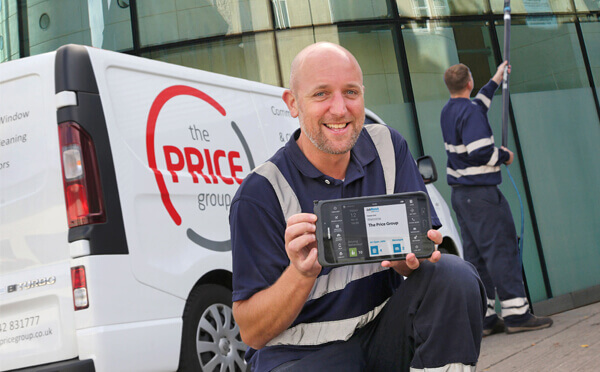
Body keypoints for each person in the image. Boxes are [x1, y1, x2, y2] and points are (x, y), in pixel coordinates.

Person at [230, 42, 487, 372]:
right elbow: (252, 332)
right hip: (300, 354)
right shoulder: (260, 192)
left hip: (382, 332)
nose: (340, 109)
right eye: (321, 94)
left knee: (455, 276)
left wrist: (408, 261)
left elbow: (421, 264)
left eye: (350, 92)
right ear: (292, 103)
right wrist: (301, 273)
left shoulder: (388, 147)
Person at [440, 62, 553, 337]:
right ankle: (517, 314)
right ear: (468, 82)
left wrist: (496, 78)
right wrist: (505, 156)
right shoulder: (469, 112)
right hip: (482, 195)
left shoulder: (450, 110)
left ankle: (486, 318)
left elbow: (479, 104)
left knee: (477, 258)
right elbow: (480, 151)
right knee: (501, 251)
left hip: (462, 196)